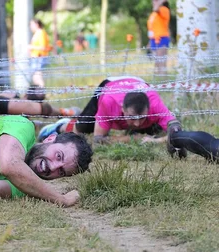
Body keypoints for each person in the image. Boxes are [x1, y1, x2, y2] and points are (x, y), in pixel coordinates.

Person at [38, 76, 176, 145]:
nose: (138, 123)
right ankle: (61, 125)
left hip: (137, 83)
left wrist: (156, 141)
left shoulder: (155, 103)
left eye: (142, 118)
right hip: (109, 86)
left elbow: (175, 128)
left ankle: (77, 113)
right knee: (82, 129)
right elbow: (98, 139)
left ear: (149, 108)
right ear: (122, 108)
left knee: (154, 130)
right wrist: (132, 138)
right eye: (132, 117)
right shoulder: (108, 102)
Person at [147, 0, 171, 76]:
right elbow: (152, 28)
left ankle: (164, 84)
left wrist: (160, 2)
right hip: (153, 40)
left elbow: (156, 9)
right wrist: (149, 42)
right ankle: (159, 83)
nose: (154, 1)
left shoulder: (164, 9)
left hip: (162, 38)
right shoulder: (153, 14)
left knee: (161, 63)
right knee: (157, 63)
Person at [28, 19, 51, 88]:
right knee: (35, 78)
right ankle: (39, 93)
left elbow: (43, 47)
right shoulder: (37, 33)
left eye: (32, 24)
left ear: (37, 24)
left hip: (39, 58)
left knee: (38, 77)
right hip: (36, 58)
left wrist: (31, 47)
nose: (30, 27)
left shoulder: (41, 33)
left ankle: (41, 93)